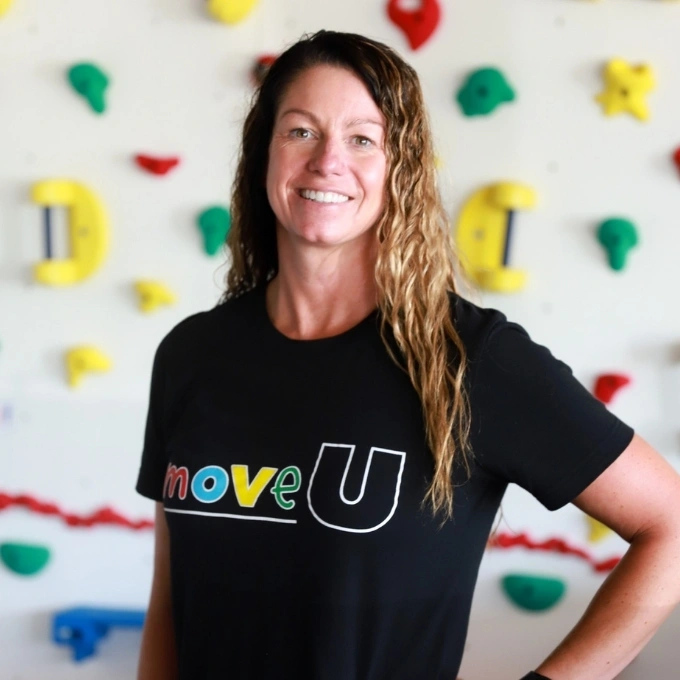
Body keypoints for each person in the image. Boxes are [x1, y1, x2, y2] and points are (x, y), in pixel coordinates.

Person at [135, 30, 680, 680]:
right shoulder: (192, 354)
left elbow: (670, 525)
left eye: (362, 139)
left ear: (401, 167)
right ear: (264, 152)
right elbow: (170, 598)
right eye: (301, 131)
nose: (327, 160)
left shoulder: (468, 359)